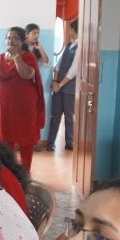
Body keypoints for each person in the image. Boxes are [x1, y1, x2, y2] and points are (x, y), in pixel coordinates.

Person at [0, 27, 45, 171]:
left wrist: (16, 56)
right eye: (8, 38)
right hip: (4, 108)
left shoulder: (28, 57)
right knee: (5, 142)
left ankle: (25, 174)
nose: (10, 41)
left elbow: (27, 74)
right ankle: (8, 173)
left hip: (24, 109)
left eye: (15, 38)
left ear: (23, 41)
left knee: (26, 142)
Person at [45, 20, 79, 152]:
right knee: (55, 115)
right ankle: (50, 142)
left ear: (73, 29)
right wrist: (55, 81)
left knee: (69, 116)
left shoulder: (81, 47)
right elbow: (58, 65)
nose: (69, 31)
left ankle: (69, 142)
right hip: (58, 86)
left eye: (70, 29)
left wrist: (60, 84)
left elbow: (73, 71)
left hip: (69, 87)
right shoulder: (69, 45)